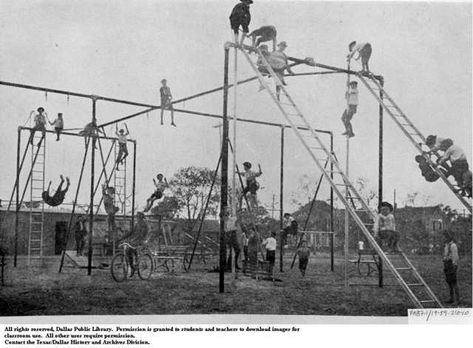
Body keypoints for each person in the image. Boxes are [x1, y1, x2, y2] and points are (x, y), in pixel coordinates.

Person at [121, 212, 149, 277]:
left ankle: (135, 265)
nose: (137, 218)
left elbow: (142, 234)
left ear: (141, 217)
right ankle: (132, 267)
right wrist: (123, 237)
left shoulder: (144, 224)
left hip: (141, 240)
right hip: (135, 240)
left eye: (138, 217)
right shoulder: (137, 224)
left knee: (132, 249)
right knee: (128, 251)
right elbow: (131, 232)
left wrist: (135, 239)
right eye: (137, 217)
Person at [442, 230, 460, 305]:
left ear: (449, 237)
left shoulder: (453, 246)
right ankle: (451, 298)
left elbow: (455, 257)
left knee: (454, 282)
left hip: (452, 265)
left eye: (445, 237)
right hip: (447, 264)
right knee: (449, 282)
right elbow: (446, 255)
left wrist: (454, 266)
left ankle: (457, 300)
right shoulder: (446, 245)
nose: (444, 238)